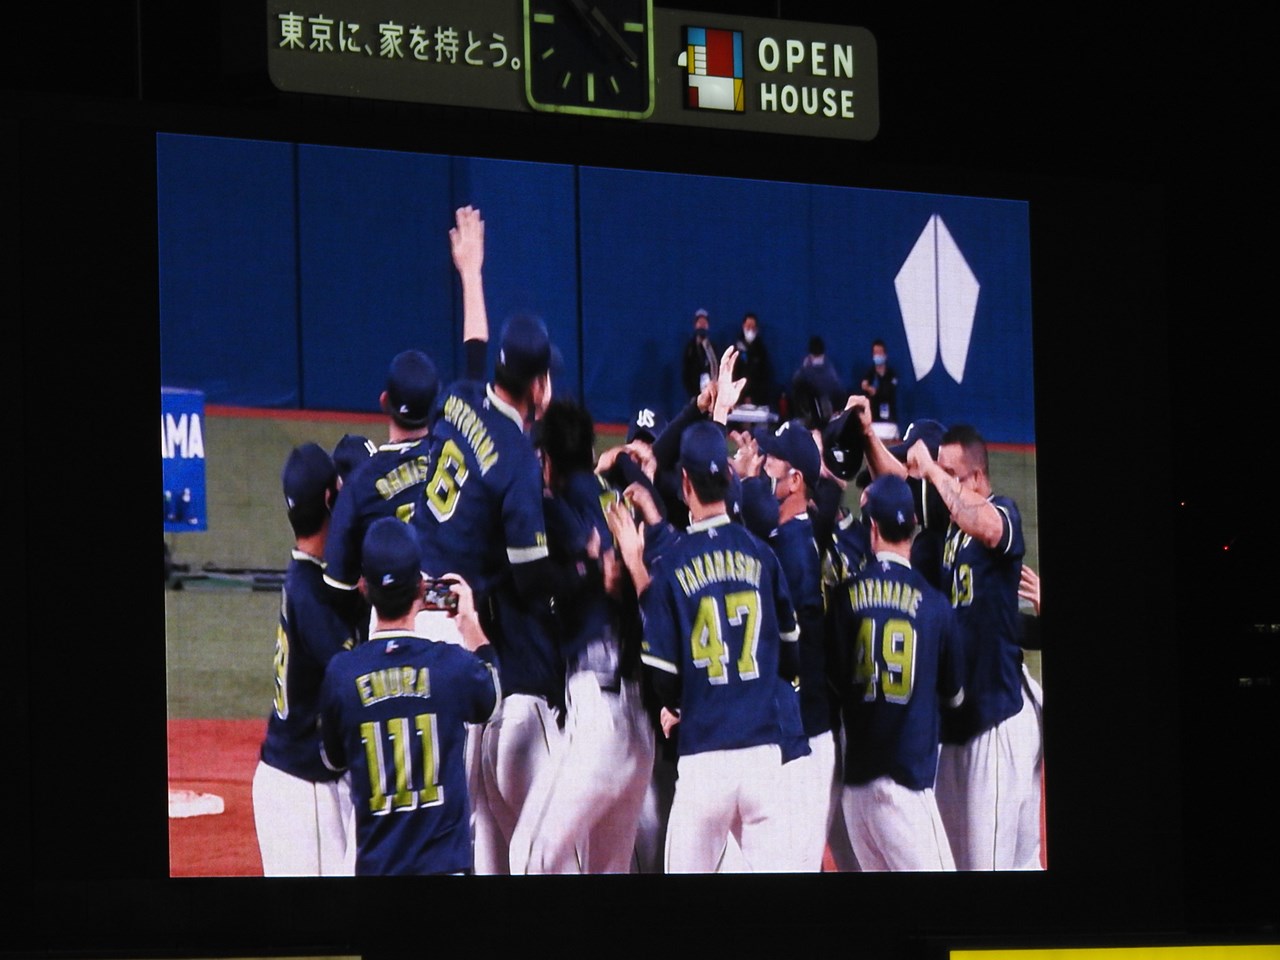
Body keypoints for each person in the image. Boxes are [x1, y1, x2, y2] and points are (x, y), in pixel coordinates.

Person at [612, 418, 810, 873]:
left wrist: (685, 703)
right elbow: (790, 655)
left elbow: (664, 681)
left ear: (685, 483)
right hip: (764, 756)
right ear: (728, 477)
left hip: (705, 759)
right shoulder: (763, 555)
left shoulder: (673, 563)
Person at [513, 398, 654, 873]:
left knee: (527, 857)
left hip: (596, 719)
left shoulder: (551, 509)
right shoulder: (619, 505)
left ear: (547, 461)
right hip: (639, 723)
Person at [316, 518, 500, 875]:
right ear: (421, 587)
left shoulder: (342, 675)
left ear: (364, 587)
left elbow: (332, 760)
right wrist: (470, 623)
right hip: (444, 869)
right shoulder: (450, 666)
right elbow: (491, 695)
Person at [905, 424, 1043, 870]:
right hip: (966, 721)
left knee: (992, 868)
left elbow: (984, 523)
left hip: (997, 721)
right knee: (966, 861)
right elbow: (901, 477)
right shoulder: (950, 531)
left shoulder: (1002, 512)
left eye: (952, 474)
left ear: (978, 477)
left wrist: (932, 469)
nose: (941, 486)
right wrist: (869, 435)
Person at [833, 474, 965, 871]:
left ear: (872, 529)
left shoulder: (844, 597)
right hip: (906, 789)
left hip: (856, 792)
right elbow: (954, 698)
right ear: (914, 527)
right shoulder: (936, 606)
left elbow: (834, 682)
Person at [251, 443, 362, 876]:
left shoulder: (307, 577)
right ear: (332, 499)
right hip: (303, 788)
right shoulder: (312, 592)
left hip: (288, 778)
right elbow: (354, 677)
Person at [791, 335, 848, 428]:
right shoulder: (830, 372)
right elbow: (840, 392)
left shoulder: (805, 373)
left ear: (810, 354)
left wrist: (804, 368)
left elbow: (795, 383)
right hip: (823, 419)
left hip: (815, 420)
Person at [858, 338, 900, 436]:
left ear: (885, 355)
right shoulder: (869, 375)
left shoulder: (891, 375)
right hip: (873, 421)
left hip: (889, 422)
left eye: (880, 353)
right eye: (875, 353)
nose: (878, 356)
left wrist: (875, 391)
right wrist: (867, 389)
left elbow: (888, 392)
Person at [731, 311, 774, 408]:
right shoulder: (736, 348)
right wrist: (740, 396)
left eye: (753, 327)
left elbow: (763, 376)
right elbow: (734, 373)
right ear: (743, 326)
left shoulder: (761, 350)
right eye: (748, 326)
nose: (750, 329)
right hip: (737, 398)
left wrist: (752, 397)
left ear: (757, 329)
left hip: (757, 400)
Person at [680, 307, 718, 398]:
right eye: (700, 323)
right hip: (695, 394)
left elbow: (717, 366)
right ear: (695, 325)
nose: (702, 326)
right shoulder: (690, 348)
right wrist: (692, 393)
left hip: (712, 392)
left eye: (704, 323)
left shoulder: (713, 347)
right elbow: (686, 372)